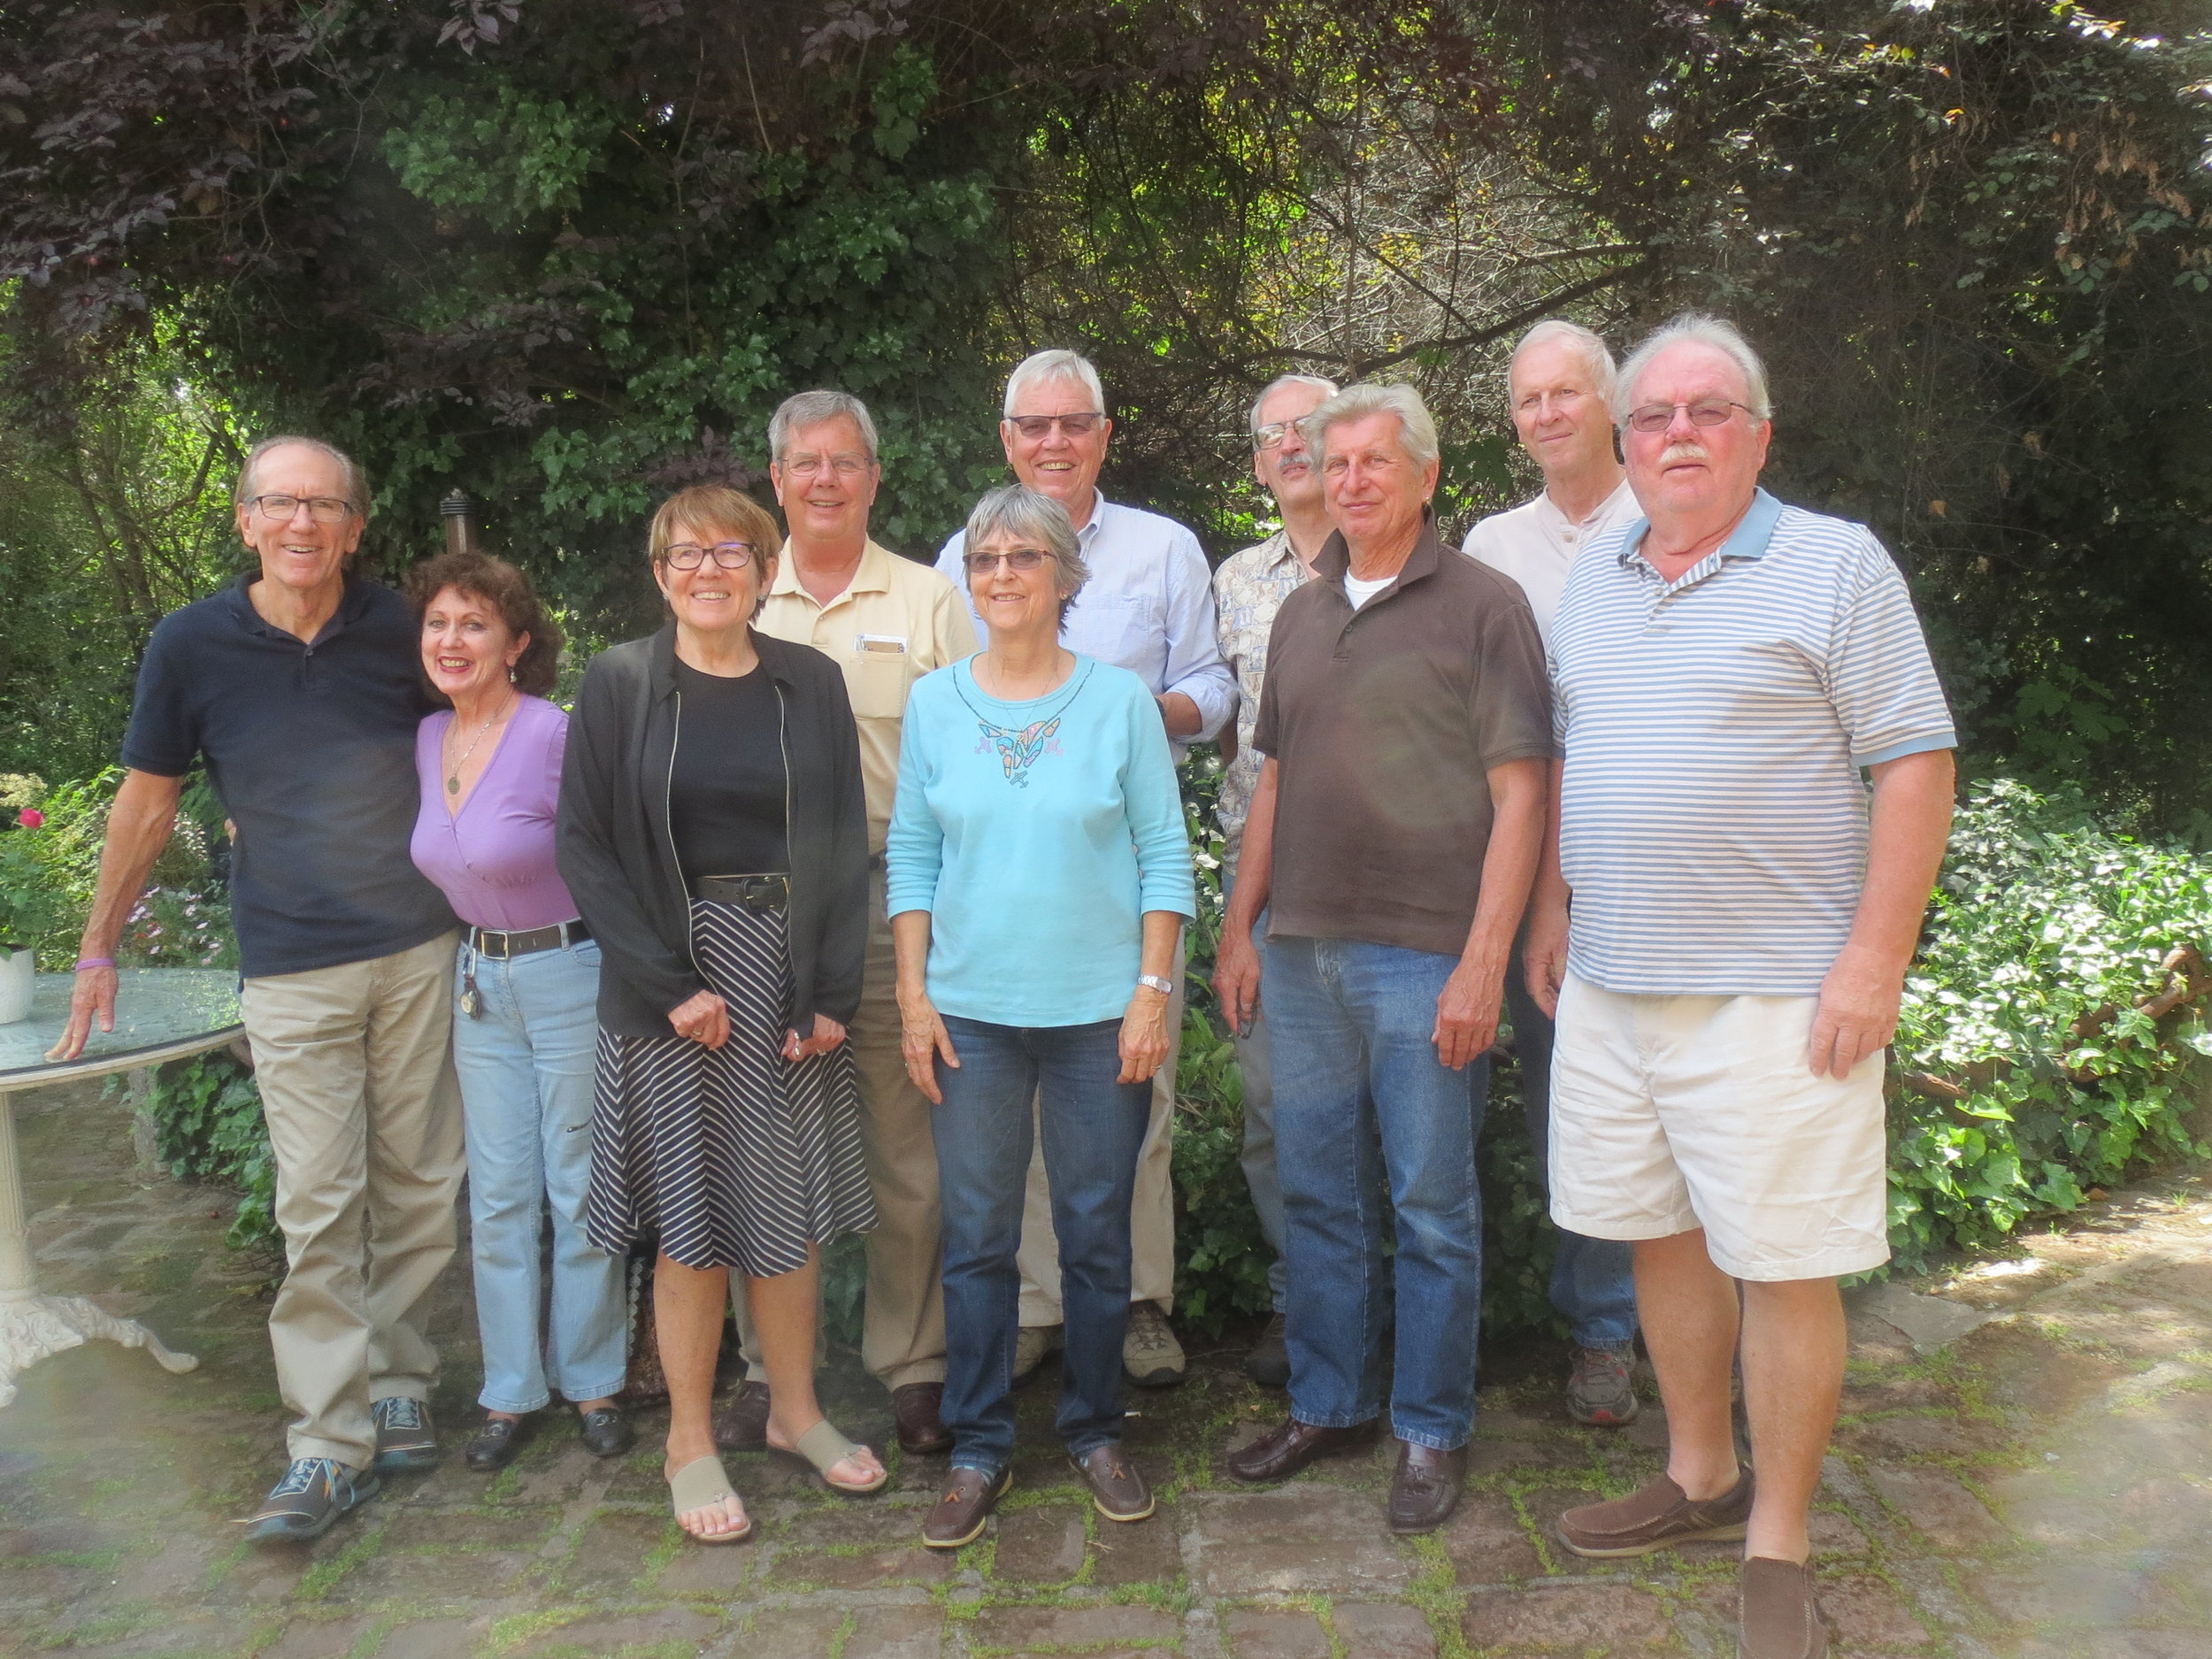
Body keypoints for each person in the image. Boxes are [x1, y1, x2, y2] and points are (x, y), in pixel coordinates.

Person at [1529, 314, 1955, 1659]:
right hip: (1611, 987)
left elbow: (1915, 762)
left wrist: (1873, 958)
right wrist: (1551, 904)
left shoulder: (1835, 563)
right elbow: (1574, 755)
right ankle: (1700, 1471)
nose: (1678, 436)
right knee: (1657, 1230)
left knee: (1783, 1264)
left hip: (1779, 992)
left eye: (1708, 411)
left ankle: (1779, 1531)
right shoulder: (1597, 572)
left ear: (1759, 432)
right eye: (1653, 416)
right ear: (1623, 437)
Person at [50, 437, 464, 1542]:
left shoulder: (401, 628)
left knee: (419, 1181)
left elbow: (483, 723)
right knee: (320, 1200)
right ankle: (326, 1447)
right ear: (245, 522)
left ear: (356, 528)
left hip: (420, 946)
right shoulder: (191, 643)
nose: (302, 525)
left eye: (324, 507)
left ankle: (399, 1382)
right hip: (289, 962)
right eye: (280, 504)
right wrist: (99, 946)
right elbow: (145, 802)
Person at [1213, 384, 1553, 1536]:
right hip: (1300, 952)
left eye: (1375, 460)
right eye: (1335, 461)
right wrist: (1236, 926)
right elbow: (1271, 779)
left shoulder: (1485, 606)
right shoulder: (1303, 612)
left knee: (1432, 1204)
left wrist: (1483, 960)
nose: (1351, 478)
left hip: (1425, 957)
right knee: (1318, 1193)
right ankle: (1329, 1402)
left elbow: (1523, 793)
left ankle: (1431, 1426)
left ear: (1426, 474)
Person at [557, 483, 879, 1545]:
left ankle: (795, 1414)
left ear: (764, 566)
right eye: (685, 554)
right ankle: (689, 1439)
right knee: (694, 1222)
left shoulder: (811, 683)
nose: (709, 569)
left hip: (787, 971)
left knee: (784, 1213)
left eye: (731, 550)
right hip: (671, 984)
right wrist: (670, 985)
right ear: (659, 575)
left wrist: (831, 989)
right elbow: (587, 850)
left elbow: (839, 840)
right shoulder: (620, 683)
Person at [892, 484, 1194, 1548]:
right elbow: (915, 859)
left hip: (1097, 1017)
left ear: (1067, 577)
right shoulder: (935, 704)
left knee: (1094, 1234)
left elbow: (1164, 858)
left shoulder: (1116, 702)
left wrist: (1150, 995)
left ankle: (1095, 1427)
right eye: (985, 559)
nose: (1004, 575)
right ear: (967, 580)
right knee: (974, 1240)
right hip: (970, 1013)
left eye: (1026, 557)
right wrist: (912, 994)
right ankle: (977, 1447)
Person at [935, 349, 1233, 1391]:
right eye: (1033, 425)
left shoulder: (1162, 548)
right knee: (1001, 1132)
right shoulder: (958, 554)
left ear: (1104, 434)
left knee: (1126, 1109)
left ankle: (1135, 1303)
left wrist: (1126, 725)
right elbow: (949, 709)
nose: (1052, 442)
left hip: (1114, 864)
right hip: (1000, 879)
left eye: (1074, 423)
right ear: (1006, 437)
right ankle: (1028, 1304)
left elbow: (1211, 682)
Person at [716, 389, 977, 1460]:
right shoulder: (730, 592)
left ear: (876, 478)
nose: (825, 480)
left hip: (885, 901)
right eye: (804, 463)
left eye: (846, 462)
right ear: (774, 481)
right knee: (753, 1145)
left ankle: (913, 1364)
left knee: (905, 1146)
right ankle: (764, 1374)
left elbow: (968, 765)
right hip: (750, 912)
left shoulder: (931, 602)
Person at [404, 551, 632, 1471]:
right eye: (437, 624)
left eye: (473, 625)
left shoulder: (550, 735)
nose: (451, 642)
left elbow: (613, 852)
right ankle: (508, 1392)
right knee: (497, 1195)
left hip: (568, 972)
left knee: (578, 1183)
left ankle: (593, 1381)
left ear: (517, 644)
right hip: (478, 983)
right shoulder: (426, 739)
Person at [1463, 320, 1643, 1426]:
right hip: (1532, 872)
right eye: (1528, 399)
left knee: (1650, 1111)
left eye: (1564, 394)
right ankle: (1597, 1329)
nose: (1545, 415)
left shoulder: (1668, 519)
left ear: (1608, 402)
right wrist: (1535, 902)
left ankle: (1655, 1319)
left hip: (1658, 868)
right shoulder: (1493, 545)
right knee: (1565, 1108)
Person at [1209, 372, 1337, 1388]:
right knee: (1269, 1108)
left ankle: (1379, 1305)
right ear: (1256, 463)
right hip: (1263, 890)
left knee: (1395, 1108)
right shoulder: (1232, 583)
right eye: (1272, 435)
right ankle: (1301, 1297)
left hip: (1386, 881)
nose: (1291, 445)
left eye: (1310, 428)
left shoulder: (1416, 566)